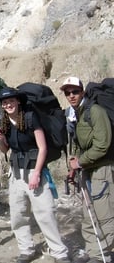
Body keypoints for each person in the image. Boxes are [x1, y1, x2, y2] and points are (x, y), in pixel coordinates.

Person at [0, 87, 71, 263]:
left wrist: (36, 174)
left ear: (18, 101)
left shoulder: (30, 118)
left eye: (11, 101)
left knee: (45, 213)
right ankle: (26, 249)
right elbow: (6, 150)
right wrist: (1, 140)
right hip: (16, 172)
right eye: (5, 102)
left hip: (34, 169)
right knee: (18, 214)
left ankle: (59, 253)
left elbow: (42, 148)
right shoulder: (5, 121)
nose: (8, 105)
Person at [61, 77, 114, 263]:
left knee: (104, 215)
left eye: (75, 91)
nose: (71, 95)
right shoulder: (77, 114)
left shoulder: (96, 112)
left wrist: (80, 161)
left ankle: (102, 255)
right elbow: (81, 143)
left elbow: (103, 145)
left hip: (102, 170)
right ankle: (94, 252)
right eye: (67, 92)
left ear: (82, 91)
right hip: (87, 170)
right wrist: (75, 164)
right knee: (89, 214)